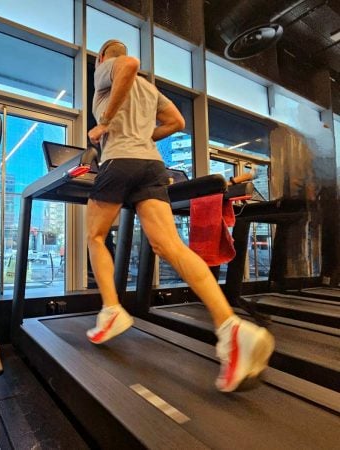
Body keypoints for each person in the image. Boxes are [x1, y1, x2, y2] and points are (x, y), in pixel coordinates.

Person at [85, 39, 275, 392]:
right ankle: (232, 329)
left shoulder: (106, 69)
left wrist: (105, 123)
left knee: (95, 236)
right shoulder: (148, 89)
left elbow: (129, 64)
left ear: (100, 58)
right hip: (152, 166)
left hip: (119, 162)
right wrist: (144, 136)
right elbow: (176, 121)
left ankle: (111, 309)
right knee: (170, 246)